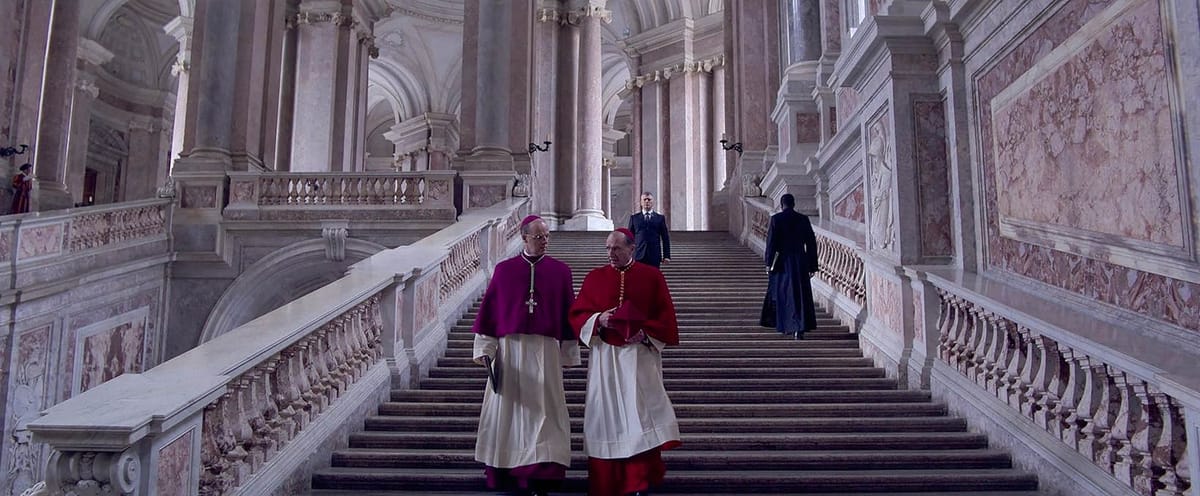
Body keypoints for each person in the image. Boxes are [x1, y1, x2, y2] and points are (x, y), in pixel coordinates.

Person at [472, 215, 580, 496]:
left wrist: (569, 353)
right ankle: (508, 471)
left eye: (547, 236)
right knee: (509, 414)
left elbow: (569, 314)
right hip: (510, 352)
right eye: (539, 237)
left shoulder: (561, 271)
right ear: (524, 237)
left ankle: (542, 473)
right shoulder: (504, 271)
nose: (545, 241)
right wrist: (485, 350)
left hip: (546, 351)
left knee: (546, 413)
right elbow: (491, 314)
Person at [569, 227, 681, 496]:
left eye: (617, 248)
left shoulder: (651, 276)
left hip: (639, 358)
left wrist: (646, 332)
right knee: (604, 417)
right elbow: (577, 314)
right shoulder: (594, 277)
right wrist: (599, 319)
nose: (611, 253)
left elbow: (666, 317)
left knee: (640, 416)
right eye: (608, 248)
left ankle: (639, 480)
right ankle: (606, 482)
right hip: (605, 359)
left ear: (632, 249)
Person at [759, 193, 820, 339]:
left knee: (784, 295)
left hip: (782, 263)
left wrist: (768, 264)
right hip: (800, 261)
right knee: (800, 295)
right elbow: (811, 244)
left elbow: (771, 244)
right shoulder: (803, 219)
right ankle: (800, 327)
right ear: (793, 204)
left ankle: (787, 326)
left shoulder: (776, 219)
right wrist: (812, 265)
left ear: (781, 205)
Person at [627, 192, 671, 267]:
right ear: (641, 202)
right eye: (644, 199)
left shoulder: (660, 218)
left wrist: (666, 256)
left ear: (653, 202)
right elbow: (629, 238)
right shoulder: (634, 218)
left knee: (653, 278)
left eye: (649, 199)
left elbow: (665, 238)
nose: (647, 201)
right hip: (638, 255)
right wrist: (628, 255)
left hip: (654, 255)